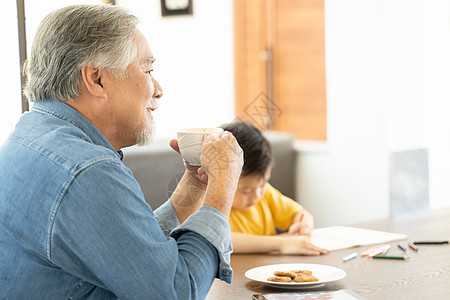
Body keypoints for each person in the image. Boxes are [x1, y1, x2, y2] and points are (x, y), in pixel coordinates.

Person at [0, 5, 243, 299]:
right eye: (148, 70)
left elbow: (129, 252)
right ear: (97, 79)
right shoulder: (88, 170)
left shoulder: (30, 135)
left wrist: (195, 186)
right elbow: (176, 293)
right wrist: (222, 189)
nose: (158, 89)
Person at [221, 122, 328, 256]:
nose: (256, 195)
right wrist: (281, 243)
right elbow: (223, 239)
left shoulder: (266, 194)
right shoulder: (212, 202)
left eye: (262, 184)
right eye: (245, 190)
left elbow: (300, 214)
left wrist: (303, 226)